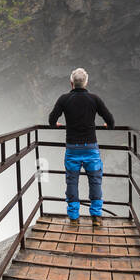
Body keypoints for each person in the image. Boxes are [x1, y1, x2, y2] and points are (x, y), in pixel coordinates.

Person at [48, 67, 114, 226]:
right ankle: (96, 217)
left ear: (71, 83)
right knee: (95, 181)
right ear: (86, 83)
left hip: (72, 148)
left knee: (72, 182)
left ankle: (73, 217)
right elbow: (110, 121)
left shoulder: (64, 99)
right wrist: (106, 125)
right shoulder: (94, 99)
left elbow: (51, 120)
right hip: (91, 148)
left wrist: (56, 124)